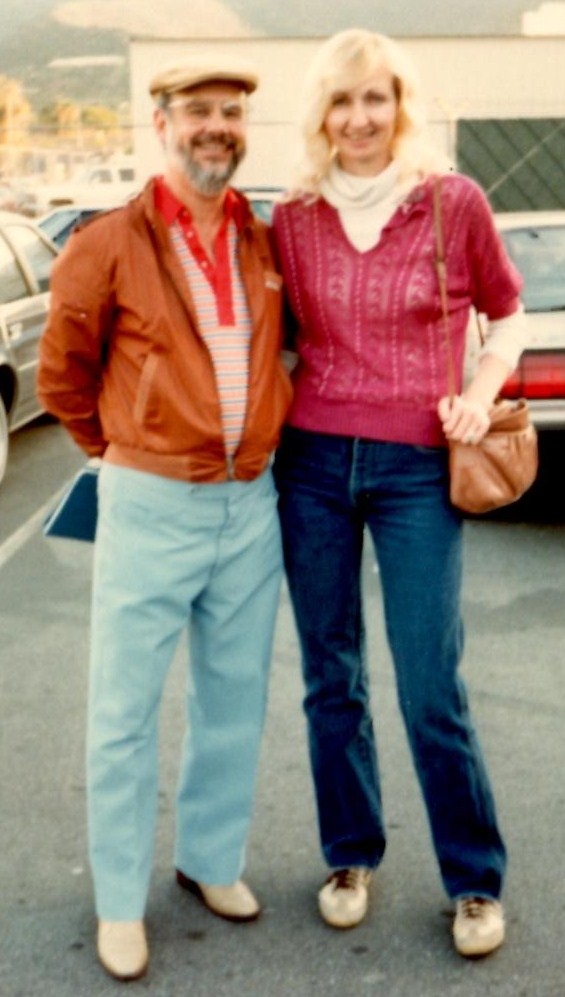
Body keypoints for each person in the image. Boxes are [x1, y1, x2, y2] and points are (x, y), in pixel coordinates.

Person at [272, 28, 527, 958]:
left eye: (375, 98)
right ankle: (349, 853)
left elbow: (508, 311)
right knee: (328, 676)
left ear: (400, 104)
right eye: (341, 101)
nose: (358, 119)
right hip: (309, 464)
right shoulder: (290, 217)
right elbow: (284, 343)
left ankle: (473, 878)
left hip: (420, 466)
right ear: (321, 114)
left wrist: (477, 391)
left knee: (429, 681)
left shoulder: (453, 203)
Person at [37, 56, 291, 982]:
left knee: (232, 700)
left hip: (249, 504)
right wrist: (117, 448)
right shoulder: (106, 241)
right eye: (196, 111)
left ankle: (210, 861)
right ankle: (116, 902)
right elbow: (62, 375)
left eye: (230, 111)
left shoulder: (262, 240)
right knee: (123, 713)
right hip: (149, 501)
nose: (215, 125)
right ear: (161, 123)